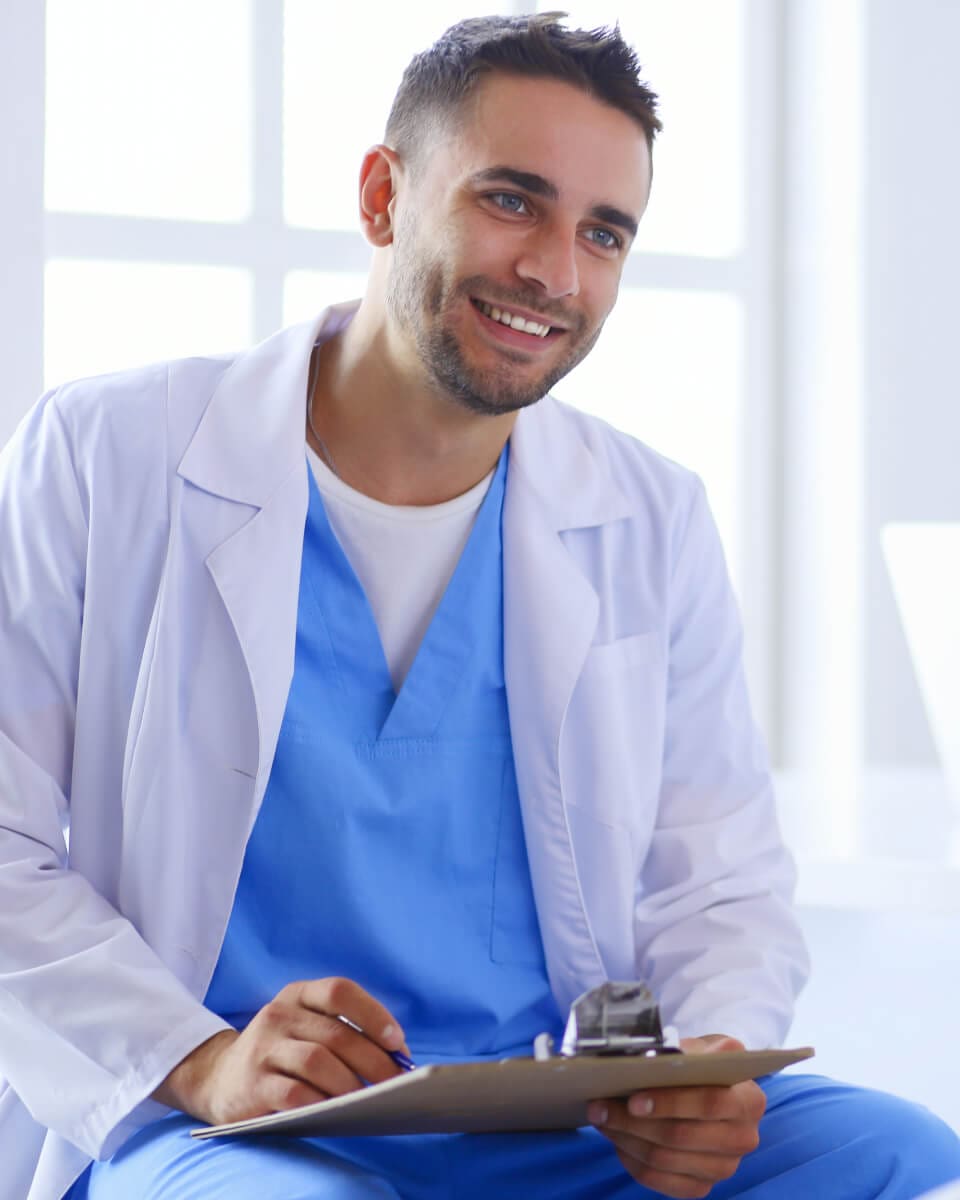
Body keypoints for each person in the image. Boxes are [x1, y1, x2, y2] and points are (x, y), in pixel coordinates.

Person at [0, 12, 958, 1200]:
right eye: (512, 201)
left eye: (602, 232)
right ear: (381, 197)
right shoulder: (106, 456)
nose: (555, 274)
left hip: (551, 1117)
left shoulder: (649, 515)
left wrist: (705, 1069)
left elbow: (721, 884)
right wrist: (197, 1061)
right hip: (233, 1126)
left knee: (906, 1154)